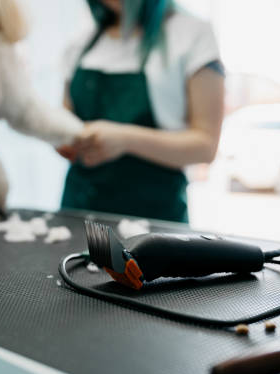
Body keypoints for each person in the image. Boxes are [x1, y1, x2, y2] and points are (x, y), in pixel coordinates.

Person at [58, 0, 224, 223]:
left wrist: (126, 140)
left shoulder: (191, 35)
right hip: (78, 210)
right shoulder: (80, 45)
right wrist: (63, 139)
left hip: (154, 217)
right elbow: (65, 119)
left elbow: (205, 146)